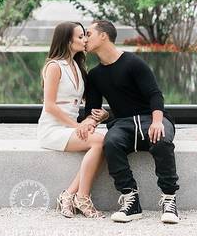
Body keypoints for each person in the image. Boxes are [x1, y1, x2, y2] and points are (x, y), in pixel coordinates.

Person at [76, 19, 180, 224]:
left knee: (161, 141)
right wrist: (90, 121)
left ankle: (170, 200)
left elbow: (155, 95)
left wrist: (157, 122)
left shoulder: (133, 62)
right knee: (111, 143)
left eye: (88, 34)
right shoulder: (95, 75)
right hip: (123, 123)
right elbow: (93, 110)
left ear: (103, 36)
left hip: (152, 117)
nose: (85, 39)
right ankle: (131, 202)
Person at [37, 21, 108, 218]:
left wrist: (103, 115)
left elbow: (83, 102)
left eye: (85, 35)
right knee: (100, 141)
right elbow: (50, 106)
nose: (85, 39)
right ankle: (81, 197)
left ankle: (70, 195)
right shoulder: (54, 66)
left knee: (103, 141)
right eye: (80, 37)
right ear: (68, 41)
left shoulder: (77, 66)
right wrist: (77, 126)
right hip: (52, 129)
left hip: (69, 128)